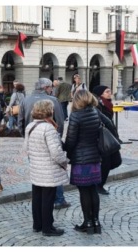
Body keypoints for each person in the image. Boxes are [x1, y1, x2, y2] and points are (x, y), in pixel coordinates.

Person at [18, 78, 70, 210]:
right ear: (46, 87)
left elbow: (20, 122)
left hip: (33, 142)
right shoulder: (52, 100)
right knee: (54, 171)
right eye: (51, 87)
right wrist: (57, 138)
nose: (52, 89)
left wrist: (27, 137)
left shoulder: (25, 100)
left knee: (38, 172)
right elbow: (60, 121)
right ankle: (59, 199)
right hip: (50, 139)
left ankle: (41, 200)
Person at [24, 100, 69, 237]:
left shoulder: (30, 126)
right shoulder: (48, 128)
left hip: (37, 168)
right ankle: (47, 228)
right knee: (48, 199)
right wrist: (64, 161)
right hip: (49, 170)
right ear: (49, 111)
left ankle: (37, 225)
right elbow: (56, 152)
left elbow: (26, 148)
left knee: (37, 197)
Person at [65, 90, 104, 235]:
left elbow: (71, 141)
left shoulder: (76, 116)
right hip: (94, 157)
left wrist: (64, 148)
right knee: (93, 189)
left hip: (81, 160)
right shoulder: (95, 112)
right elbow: (108, 124)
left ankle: (87, 222)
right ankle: (96, 222)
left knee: (84, 191)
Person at [92, 85, 122, 195]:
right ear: (100, 94)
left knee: (116, 161)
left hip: (111, 136)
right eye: (107, 92)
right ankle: (98, 185)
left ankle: (97, 181)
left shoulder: (107, 104)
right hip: (103, 138)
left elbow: (110, 122)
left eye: (109, 91)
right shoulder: (98, 105)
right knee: (106, 163)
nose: (110, 93)